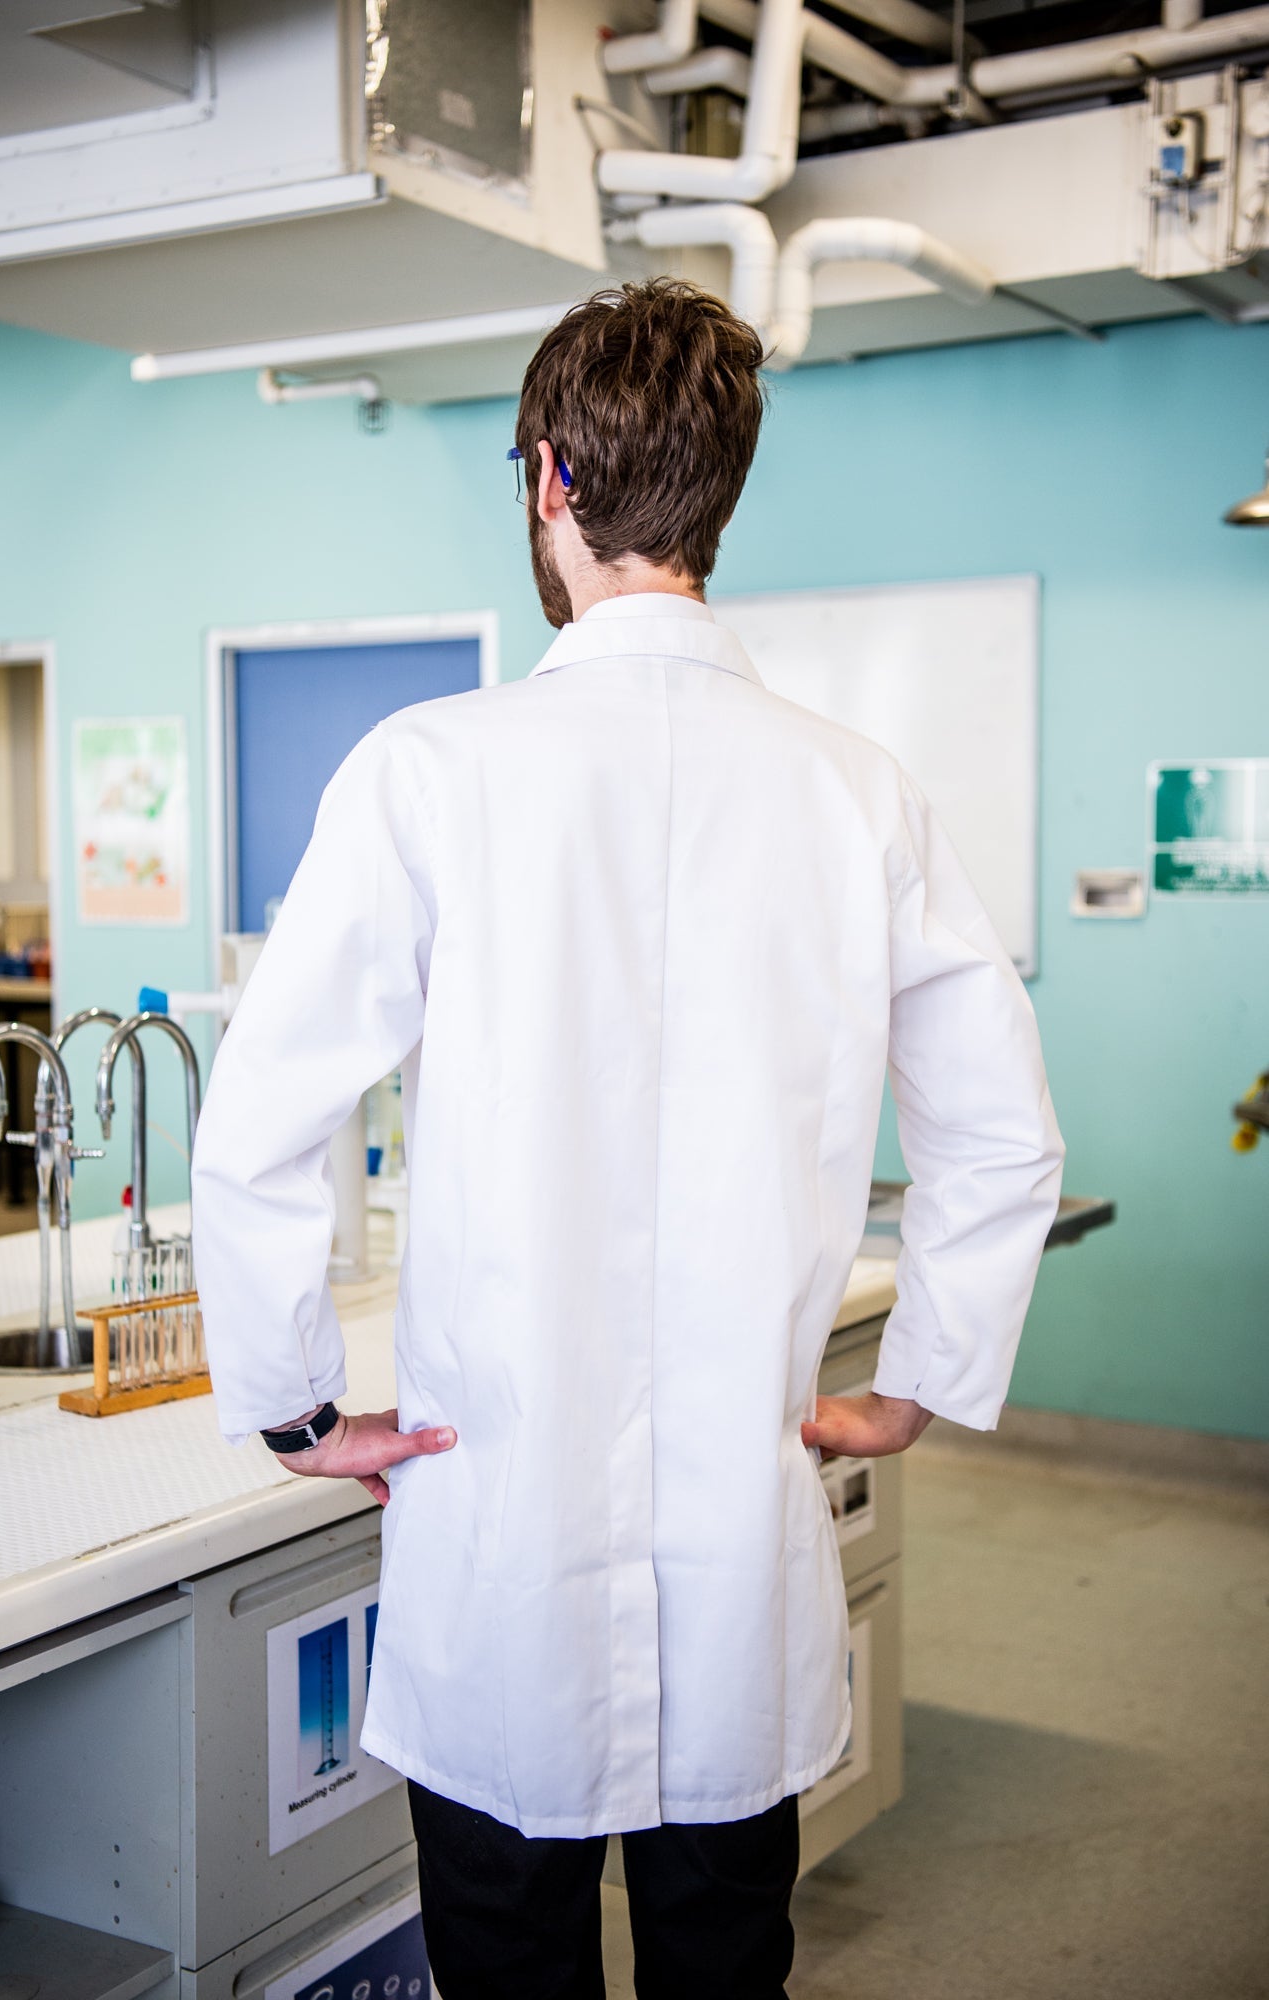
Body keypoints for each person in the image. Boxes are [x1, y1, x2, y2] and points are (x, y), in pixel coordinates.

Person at [191, 278, 1064, 2000]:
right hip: (741, 1557)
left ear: (546, 484)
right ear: (717, 498)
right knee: (731, 1954)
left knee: (505, 1962)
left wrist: (295, 1403)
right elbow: (999, 1133)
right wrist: (923, 1377)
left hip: (489, 1539)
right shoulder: (855, 789)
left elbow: (263, 1122)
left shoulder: (429, 768)